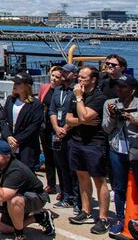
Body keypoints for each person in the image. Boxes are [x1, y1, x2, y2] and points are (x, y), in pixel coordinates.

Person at [0, 140, 55, 240]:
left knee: (14, 200)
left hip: (36, 197)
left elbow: (2, 197)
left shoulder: (16, 170)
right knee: (5, 229)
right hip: (20, 195)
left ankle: (20, 234)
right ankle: (40, 217)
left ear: (7, 157)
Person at [66, 66, 109, 234]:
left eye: (84, 78)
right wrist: (82, 120)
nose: (80, 80)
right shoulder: (76, 97)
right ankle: (86, 210)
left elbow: (84, 115)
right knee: (82, 176)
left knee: (99, 179)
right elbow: (69, 120)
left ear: (93, 79)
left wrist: (79, 99)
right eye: (79, 77)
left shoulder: (99, 97)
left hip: (94, 143)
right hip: (77, 141)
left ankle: (103, 218)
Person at [101, 75, 138, 235]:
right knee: (118, 187)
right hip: (117, 149)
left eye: (123, 87)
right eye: (118, 86)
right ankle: (120, 219)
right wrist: (113, 117)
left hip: (135, 149)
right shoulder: (110, 104)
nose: (119, 90)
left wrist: (132, 119)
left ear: (132, 89)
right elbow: (106, 128)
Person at [48, 63, 79, 210]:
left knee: (73, 168)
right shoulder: (58, 90)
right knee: (62, 167)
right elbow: (52, 110)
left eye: (67, 73)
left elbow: (77, 113)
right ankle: (66, 195)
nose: (64, 75)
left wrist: (65, 129)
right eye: (63, 73)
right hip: (57, 132)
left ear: (74, 74)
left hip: (71, 133)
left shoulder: (77, 91)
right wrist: (56, 127)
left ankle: (76, 197)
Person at [0, 72, 44, 170]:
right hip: (9, 143)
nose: (14, 85)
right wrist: (8, 136)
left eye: (18, 83)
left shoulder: (36, 105)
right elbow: (3, 119)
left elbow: (34, 127)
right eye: (14, 83)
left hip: (27, 147)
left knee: (25, 173)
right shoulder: (10, 100)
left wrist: (17, 140)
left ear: (26, 86)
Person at [38, 66, 61, 195]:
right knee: (48, 157)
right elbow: (40, 103)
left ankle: (64, 188)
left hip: (56, 128)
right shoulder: (44, 88)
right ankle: (51, 184)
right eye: (53, 76)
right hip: (44, 127)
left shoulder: (62, 91)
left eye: (58, 77)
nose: (54, 79)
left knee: (58, 159)